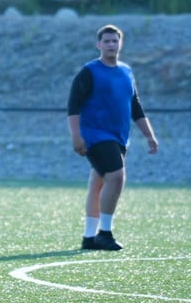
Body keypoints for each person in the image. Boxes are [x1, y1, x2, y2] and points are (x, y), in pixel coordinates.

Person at [67, 23, 158, 251]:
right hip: (95, 135)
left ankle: (89, 238)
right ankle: (104, 233)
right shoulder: (89, 71)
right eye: (106, 41)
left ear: (120, 43)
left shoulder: (126, 72)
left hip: (119, 137)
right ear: (99, 44)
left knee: (98, 183)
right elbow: (73, 105)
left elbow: (135, 106)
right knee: (116, 177)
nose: (111, 44)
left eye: (114, 41)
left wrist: (149, 135)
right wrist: (76, 135)